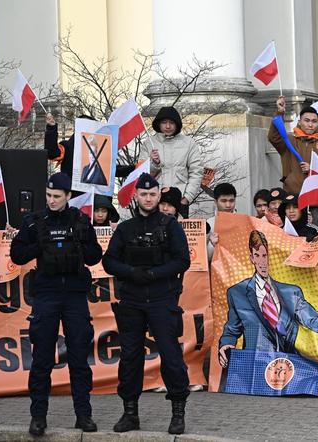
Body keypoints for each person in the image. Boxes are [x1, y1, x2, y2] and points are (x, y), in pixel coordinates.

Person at [9, 172, 102, 436]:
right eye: (49, 196)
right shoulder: (34, 222)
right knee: (42, 360)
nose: (51, 200)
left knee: (79, 360)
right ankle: (38, 416)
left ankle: (83, 415)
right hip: (47, 295)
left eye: (56, 196)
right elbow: (16, 255)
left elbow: (95, 257)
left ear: (68, 197)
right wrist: (40, 245)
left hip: (74, 295)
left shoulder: (80, 220)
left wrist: (80, 244)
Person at [101, 173, 191, 435]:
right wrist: (131, 272)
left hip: (162, 298)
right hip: (132, 300)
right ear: (136, 195)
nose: (148, 198)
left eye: (153, 194)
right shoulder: (126, 228)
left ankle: (177, 412)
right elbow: (109, 261)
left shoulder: (169, 225)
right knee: (129, 358)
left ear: (158, 196)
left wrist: (154, 273)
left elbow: (182, 260)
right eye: (144, 194)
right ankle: (130, 414)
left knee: (171, 356)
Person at [218, 230, 318, 363]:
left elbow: (315, 323)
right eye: (257, 255)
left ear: (270, 256)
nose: (262, 261)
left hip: (288, 366)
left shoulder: (291, 292)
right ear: (251, 258)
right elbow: (232, 329)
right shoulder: (237, 292)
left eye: (265, 255)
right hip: (254, 366)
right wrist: (226, 344)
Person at [138, 106, 203, 218]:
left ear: (177, 124)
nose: (168, 126)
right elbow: (141, 175)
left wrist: (187, 198)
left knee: (178, 234)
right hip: (154, 201)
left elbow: (196, 172)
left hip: (179, 200)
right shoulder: (149, 144)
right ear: (158, 124)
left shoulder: (189, 143)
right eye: (164, 122)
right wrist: (155, 164)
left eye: (171, 123)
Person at [268, 97, 318, 194]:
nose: (310, 124)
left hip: (315, 197)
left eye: (314, 121)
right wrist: (280, 113)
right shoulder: (289, 140)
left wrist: (313, 168)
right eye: (307, 120)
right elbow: (273, 137)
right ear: (299, 122)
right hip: (292, 196)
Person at [44, 113, 135, 180]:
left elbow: (112, 170)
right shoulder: (67, 147)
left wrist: (134, 168)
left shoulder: (98, 148)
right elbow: (52, 153)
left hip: (94, 198)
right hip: (73, 198)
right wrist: (51, 128)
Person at [207, 183, 237, 262]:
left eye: (231, 201)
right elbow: (202, 259)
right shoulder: (208, 224)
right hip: (215, 272)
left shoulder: (243, 222)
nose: (228, 205)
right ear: (215, 202)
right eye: (223, 201)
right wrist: (212, 246)